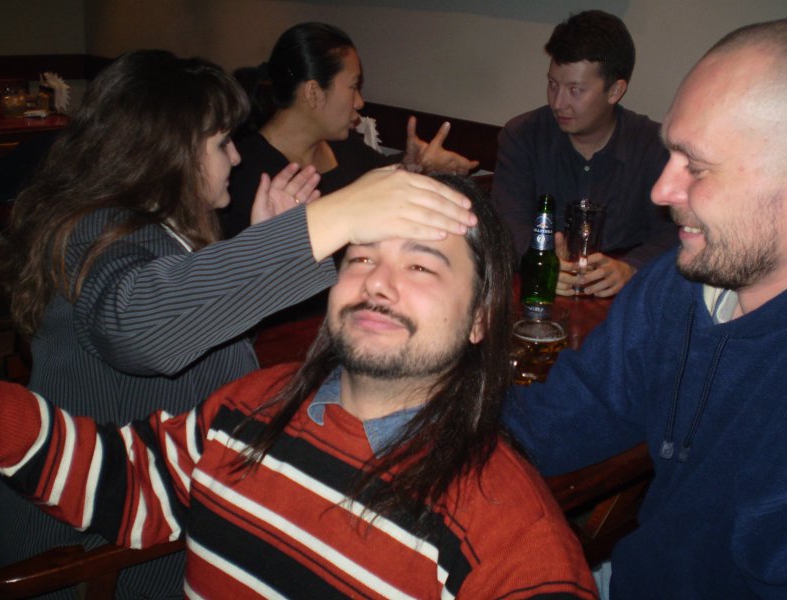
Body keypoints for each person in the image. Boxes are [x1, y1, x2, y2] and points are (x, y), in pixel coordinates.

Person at [0, 50, 476, 599]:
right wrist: (336, 216)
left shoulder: (151, 222)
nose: (237, 157)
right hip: (95, 544)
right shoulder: (99, 229)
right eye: (222, 143)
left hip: (144, 501)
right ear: (171, 152)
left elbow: (197, 325)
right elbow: (140, 328)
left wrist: (263, 241)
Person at [0, 175, 597, 598]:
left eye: (420, 266)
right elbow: (128, 482)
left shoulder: (509, 533)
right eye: (361, 258)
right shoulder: (252, 404)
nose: (377, 283)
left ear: (481, 318)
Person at [502, 19, 787, 599]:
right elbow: (555, 420)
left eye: (696, 166)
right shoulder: (673, 290)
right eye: (670, 156)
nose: (662, 191)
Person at [219, 22, 479, 239]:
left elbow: (381, 177)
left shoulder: (343, 145)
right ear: (313, 92)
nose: (360, 102)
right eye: (353, 87)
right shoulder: (246, 174)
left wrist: (419, 166)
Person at [492, 10, 677, 298]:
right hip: (538, 291)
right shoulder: (523, 136)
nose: (558, 103)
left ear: (615, 91)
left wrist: (632, 268)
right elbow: (507, 224)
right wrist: (540, 260)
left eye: (575, 90)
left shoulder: (652, 146)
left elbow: (673, 232)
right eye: (553, 84)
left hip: (620, 297)